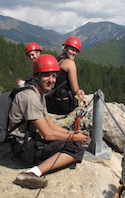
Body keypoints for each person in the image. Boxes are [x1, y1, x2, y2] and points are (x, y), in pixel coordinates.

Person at [8, 54, 89, 189]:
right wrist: (74, 137)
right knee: (76, 149)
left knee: (70, 141)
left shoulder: (38, 93)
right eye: (46, 75)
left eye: (54, 76)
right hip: (23, 147)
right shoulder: (30, 97)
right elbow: (48, 134)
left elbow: (50, 124)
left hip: (27, 139)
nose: (51, 80)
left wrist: (70, 133)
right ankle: (32, 173)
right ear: (36, 76)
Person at [46, 36, 85, 115]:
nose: (74, 53)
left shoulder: (57, 60)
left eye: (76, 51)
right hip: (63, 105)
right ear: (65, 48)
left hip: (51, 103)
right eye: (72, 49)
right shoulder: (70, 63)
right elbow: (75, 89)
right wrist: (79, 93)